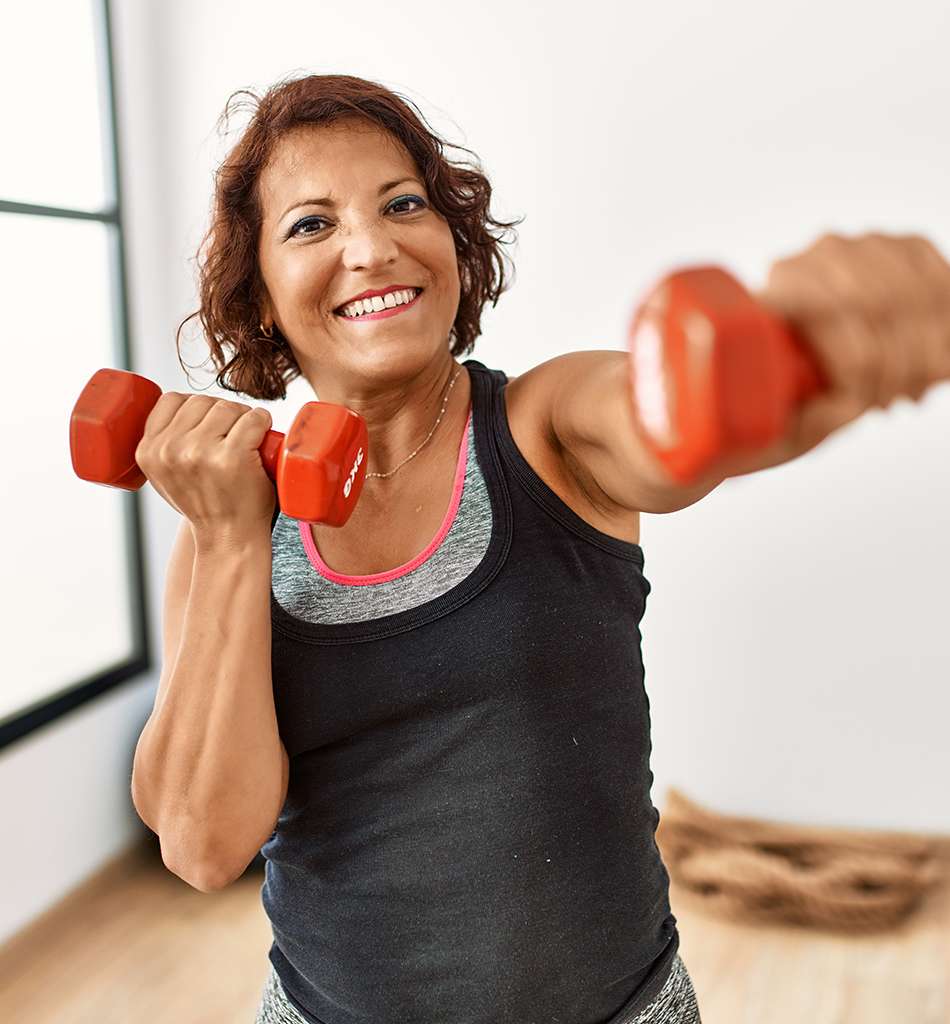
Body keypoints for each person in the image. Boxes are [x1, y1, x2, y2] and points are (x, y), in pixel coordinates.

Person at [130, 72, 949, 1024]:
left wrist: (804, 352)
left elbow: (674, 422)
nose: (373, 246)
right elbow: (203, 845)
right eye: (312, 224)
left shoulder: (545, 426)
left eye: (404, 204)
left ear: (454, 242)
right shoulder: (229, 522)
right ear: (262, 296)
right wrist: (231, 540)